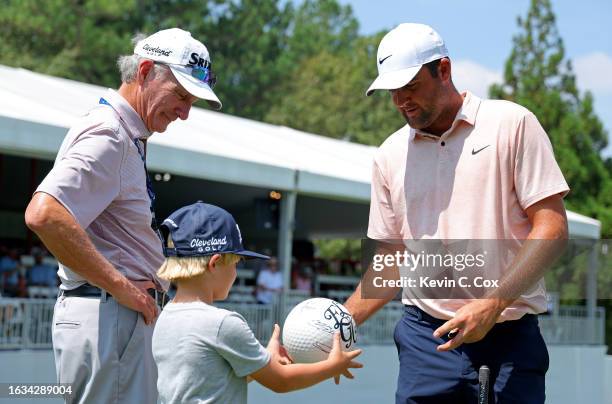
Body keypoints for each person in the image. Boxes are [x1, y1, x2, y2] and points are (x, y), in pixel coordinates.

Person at [343, 23, 569, 404]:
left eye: (410, 86)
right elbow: (391, 258)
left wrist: (493, 303)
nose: (401, 101)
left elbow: (553, 227)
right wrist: (338, 326)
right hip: (424, 341)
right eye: (393, 92)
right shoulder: (388, 155)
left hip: (509, 339)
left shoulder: (512, 124)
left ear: (443, 70)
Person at [24, 28, 222, 403]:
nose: (184, 112)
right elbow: (45, 214)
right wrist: (122, 287)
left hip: (110, 314)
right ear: (145, 70)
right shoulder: (110, 134)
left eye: (192, 101)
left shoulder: (122, 133)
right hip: (108, 313)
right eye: (181, 95)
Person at [152, 202, 362, 403]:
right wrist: (332, 366)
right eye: (236, 263)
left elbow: (212, 379)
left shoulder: (165, 316)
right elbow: (281, 381)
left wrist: (264, 360)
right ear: (215, 264)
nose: (236, 272)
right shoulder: (223, 324)